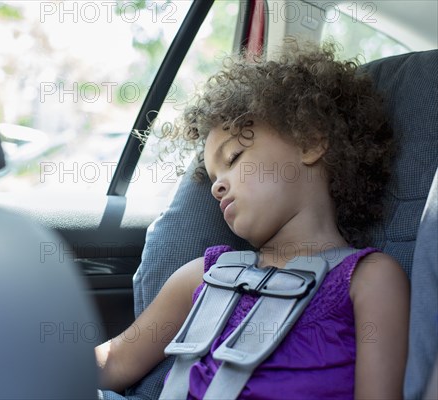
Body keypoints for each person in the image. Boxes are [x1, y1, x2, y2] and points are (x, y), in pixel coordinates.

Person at [95, 41, 410, 399]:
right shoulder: (204, 276)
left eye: (233, 158)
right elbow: (115, 361)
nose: (217, 188)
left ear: (310, 142)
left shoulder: (369, 278)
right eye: (213, 179)